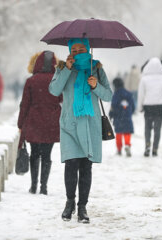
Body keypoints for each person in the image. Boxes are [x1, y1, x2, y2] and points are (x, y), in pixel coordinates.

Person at [49, 38, 113, 223]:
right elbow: (54, 90)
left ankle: (82, 207)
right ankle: (69, 203)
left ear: (87, 49)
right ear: (69, 50)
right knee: (71, 164)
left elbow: (108, 95)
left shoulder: (97, 69)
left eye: (81, 48)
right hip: (69, 124)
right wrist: (66, 70)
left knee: (86, 166)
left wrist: (95, 85)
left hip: (90, 125)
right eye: (74, 49)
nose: (77, 51)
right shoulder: (63, 67)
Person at [18, 51, 62, 195]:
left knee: (35, 154)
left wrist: (20, 124)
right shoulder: (57, 80)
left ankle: (34, 185)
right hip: (51, 122)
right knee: (47, 156)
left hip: (34, 121)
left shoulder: (31, 81)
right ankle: (44, 187)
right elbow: (61, 99)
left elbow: (25, 104)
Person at [138, 57, 162, 157]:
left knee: (147, 127)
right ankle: (155, 148)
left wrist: (139, 107)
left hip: (148, 106)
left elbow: (141, 94)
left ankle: (147, 145)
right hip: (160, 106)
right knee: (157, 129)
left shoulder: (144, 79)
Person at [109, 77, 135, 157]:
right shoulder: (129, 93)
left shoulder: (116, 94)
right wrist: (130, 112)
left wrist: (111, 114)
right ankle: (127, 144)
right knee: (127, 132)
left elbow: (113, 105)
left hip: (118, 116)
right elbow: (133, 106)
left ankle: (119, 149)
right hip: (127, 116)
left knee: (119, 133)